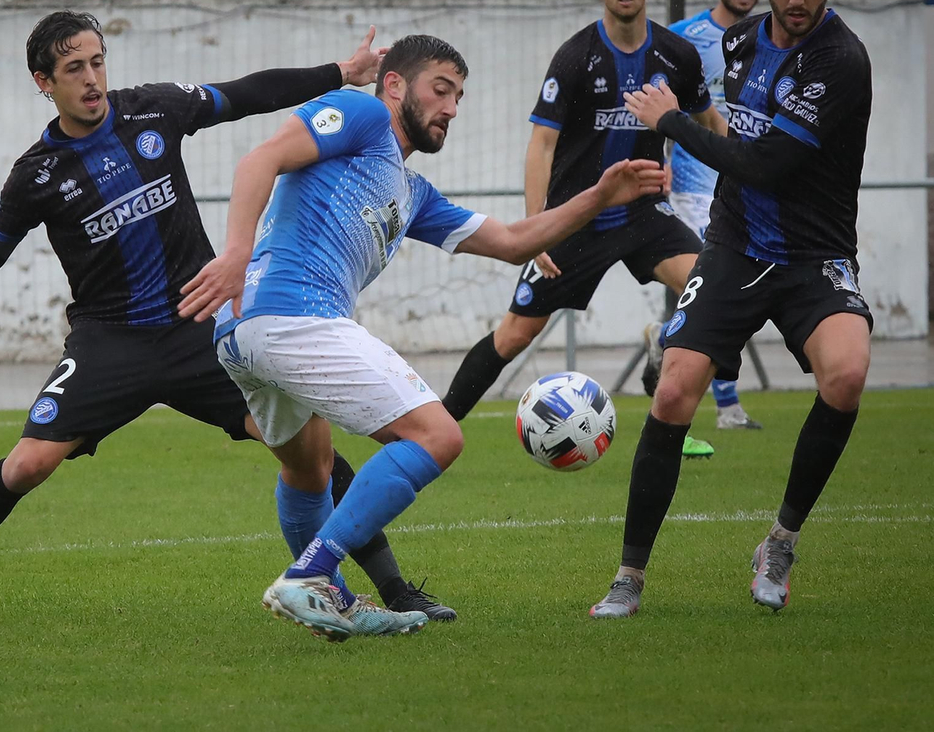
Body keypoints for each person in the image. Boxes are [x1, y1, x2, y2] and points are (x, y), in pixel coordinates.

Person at [0, 12, 446, 628]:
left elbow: (247, 94)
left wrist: (340, 72)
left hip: (200, 325)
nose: (92, 79)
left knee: (312, 457)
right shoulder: (36, 174)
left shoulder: (153, 109)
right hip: (110, 342)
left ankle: (392, 591)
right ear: (43, 81)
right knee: (26, 466)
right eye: (74, 69)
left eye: (97, 62)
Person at [178, 35, 667, 642]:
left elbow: (515, 242)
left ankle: (333, 604)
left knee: (310, 471)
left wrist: (600, 196)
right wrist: (235, 253)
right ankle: (312, 573)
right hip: (290, 312)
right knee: (437, 435)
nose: (452, 107)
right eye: (441, 89)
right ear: (394, 85)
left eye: (459, 97)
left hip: (248, 333)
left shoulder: (411, 194)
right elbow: (259, 160)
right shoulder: (362, 116)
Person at [590, 0, 872, 617]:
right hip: (737, 246)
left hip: (814, 255)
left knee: (848, 372)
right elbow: (729, 138)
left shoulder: (841, 59)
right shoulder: (741, 44)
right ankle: (629, 577)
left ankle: (780, 540)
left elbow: (767, 165)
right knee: (674, 389)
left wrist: (670, 123)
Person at [441, 0, 723, 461]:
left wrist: (747, 177)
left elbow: (711, 126)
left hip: (644, 215)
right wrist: (533, 228)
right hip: (576, 221)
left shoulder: (677, 56)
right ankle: (433, 431)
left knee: (712, 295)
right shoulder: (575, 56)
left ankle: (673, 419)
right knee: (513, 337)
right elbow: (541, 144)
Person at [655, 0, 764, 431]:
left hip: (747, 186)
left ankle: (663, 339)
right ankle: (727, 407)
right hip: (696, 189)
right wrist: (658, 164)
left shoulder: (770, 38)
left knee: (734, 292)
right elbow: (652, 107)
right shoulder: (683, 39)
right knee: (721, 289)